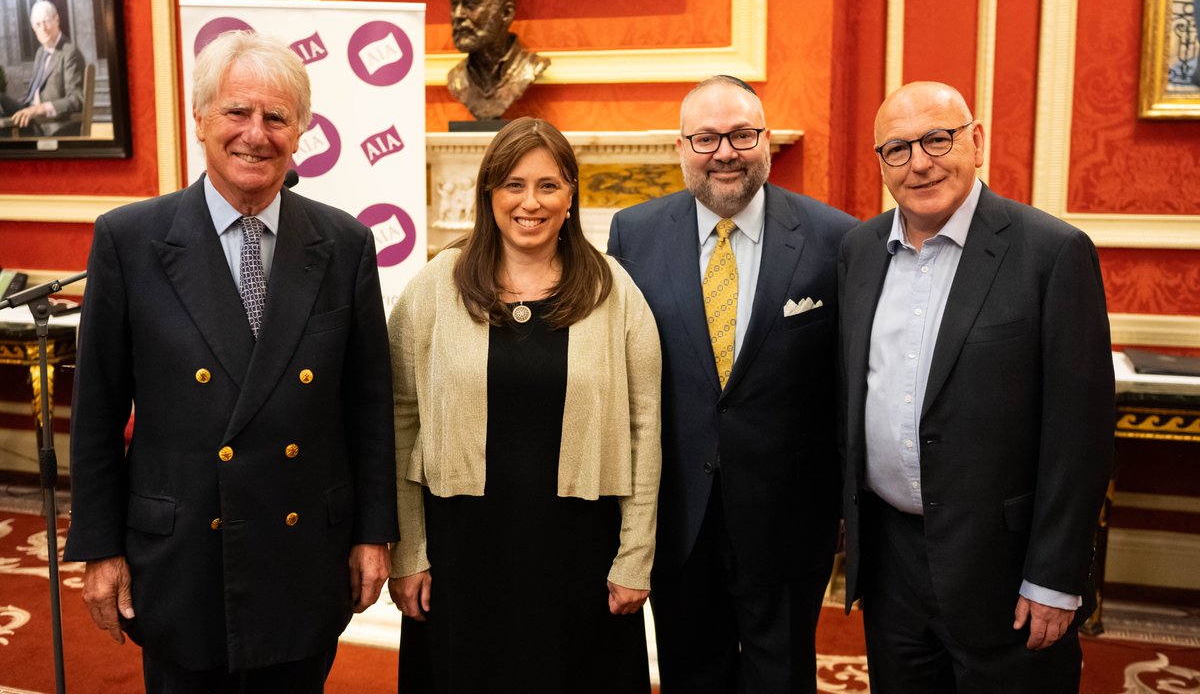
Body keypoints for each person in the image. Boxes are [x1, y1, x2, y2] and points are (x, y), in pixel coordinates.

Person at [63, 30, 398, 693]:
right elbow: (97, 412)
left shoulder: (345, 243)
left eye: (277, 117)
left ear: (300, 132)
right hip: (182, 556)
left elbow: (369, 408)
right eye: (237, 112)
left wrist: (374, 533)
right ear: (199, 120)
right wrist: (98, 548)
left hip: (302, 556)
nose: (256, 134)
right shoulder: (129, 240)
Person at [838, 81, 1115, 693]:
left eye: (938, 139)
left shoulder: (1052, 253)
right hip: (891, 562)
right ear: (881, 162)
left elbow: (1080, 434)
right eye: (897, 149)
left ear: (977, 141)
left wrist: (1053, 578)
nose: (920, 163)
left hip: (1005, 569)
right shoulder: (859, 250)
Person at [387, 116, 661, 693]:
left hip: (580, 552)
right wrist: (408, 552)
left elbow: (645, 426)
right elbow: (399, 418)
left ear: (571, 196)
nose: (530, 202)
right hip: (461, 551)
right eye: (513, 184)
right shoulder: (435, 286)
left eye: (548, 185)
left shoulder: (613, 290)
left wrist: (635, 556)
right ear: (489, 193)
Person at [607, 75, 858, 693]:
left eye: (742, 135)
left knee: (782, 677)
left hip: (789, 516)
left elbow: (847, 382)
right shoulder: (633, 233)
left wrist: (847, 503)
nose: (725, 152)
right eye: (706, 138)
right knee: (691, 674)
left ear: (765, 140)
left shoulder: (836, 237)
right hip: (677, 514)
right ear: (681, 146)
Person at [446, 0, 549, 121]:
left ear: (506, 14)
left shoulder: (530, 68)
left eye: (471, 5)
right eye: (454, 5)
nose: (458, 15)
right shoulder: (457, 79)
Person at [0, 0, 87, 136]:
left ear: (56, 20)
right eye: (38, 25)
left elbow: (76, 100)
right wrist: (27, 109)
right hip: (31, 114)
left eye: (46, 22)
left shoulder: (70, 53)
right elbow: (33, 94)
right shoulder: (41, 52)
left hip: (49, 124)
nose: (43, 29)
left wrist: (38, 109)